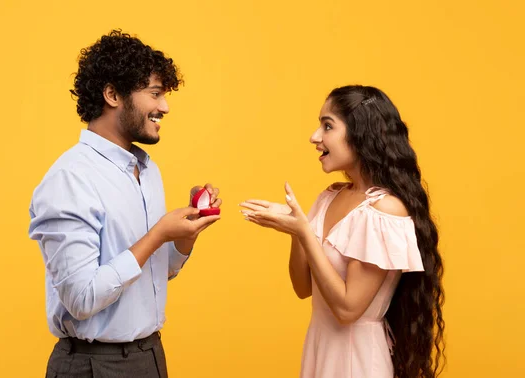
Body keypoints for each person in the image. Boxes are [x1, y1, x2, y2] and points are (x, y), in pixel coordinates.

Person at [28, 29, 221, 378]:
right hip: (92, 365)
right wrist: (158, 234)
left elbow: (153, 272)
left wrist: (185, 234)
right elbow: (82, 299)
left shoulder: (146, 171)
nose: (164, 106)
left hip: (149, 356)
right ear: (113, 94)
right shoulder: (71, 178)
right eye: (155, 94)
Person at [240, 85, 445, 378]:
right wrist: (296, 231)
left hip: (357, 361)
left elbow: (348, 310)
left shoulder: (385, 211)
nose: (314, 136)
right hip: (320, 349)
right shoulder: (329, 197)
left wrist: (304, 232)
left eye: (327, 126)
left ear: (361, 134)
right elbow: (303, 288)